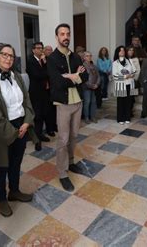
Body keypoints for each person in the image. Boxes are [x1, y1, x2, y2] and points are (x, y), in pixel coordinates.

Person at [0, 44, 38, 216]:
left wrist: (27, 123)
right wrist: (13, 133)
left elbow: (26, 101)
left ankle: (14, 191)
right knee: (2, 166)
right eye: (4, 55)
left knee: (16, 162)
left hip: (21, 125)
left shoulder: (17, 76)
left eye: (11, 56)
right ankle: (2, 199)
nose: (8, 58)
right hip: (2, 129)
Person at [46, 23, 88, 192]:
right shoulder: (52, 58)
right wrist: (73, 76)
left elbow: (85, 76)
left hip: (77, 101)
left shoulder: (76, 57)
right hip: (63, 104)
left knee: (74, 135)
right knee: (63, 139)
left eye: (68, 33)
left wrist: (72, 76)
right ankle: (63, 173)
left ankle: (70, 163)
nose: (66, 37)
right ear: (57, 37)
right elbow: (57, 82)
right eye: (62, 34)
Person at [26, 42, 51, 143]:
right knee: (37, 115)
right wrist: (46, 73)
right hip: (36, 92)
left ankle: (40, 134)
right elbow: (37, 75)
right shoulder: (31, 61)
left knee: (44, 113)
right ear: (33, 50)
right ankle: (36, 138)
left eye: (42, 48)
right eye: (38, 48)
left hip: (44, 91)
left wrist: (45, 63)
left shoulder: (43, 60)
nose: (41, 50)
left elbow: (48, 72)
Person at [112, 46, 137, 125]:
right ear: (117, 52)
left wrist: (131, 75)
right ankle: (120, 118)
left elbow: (134, 71)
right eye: (120, 51)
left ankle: (127, 117)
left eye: (123, 50)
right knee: (121, 102)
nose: (122, 52)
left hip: (130, 83)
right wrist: (125, 76)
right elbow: (115, 76)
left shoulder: (129, 60)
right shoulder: (115, 63)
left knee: (128, 102)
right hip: (120, 85)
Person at [82, 51, 100, 124]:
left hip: (94, 87)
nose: (89, 57)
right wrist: (91, 85)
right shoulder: (82, 66)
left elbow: (98, 76)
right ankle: (86, 117)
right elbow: (83, 78)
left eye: (90, 55)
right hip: (86, 87)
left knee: (93, 102)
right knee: (87, 102)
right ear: (84, 57)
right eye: (87, 56)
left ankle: (93, 116)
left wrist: (97, 84)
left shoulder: (94, 66)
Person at [43, 45, 57, 136]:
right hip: (45, 89)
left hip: (54, 88)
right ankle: (49, 129)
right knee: (48, 110)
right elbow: (44, 73)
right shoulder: (42, 61)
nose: (49, 51)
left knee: (54, 109)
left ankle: (54, 126)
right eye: (47, 50)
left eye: (51, 50)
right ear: (44, 51)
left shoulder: (53, 60)